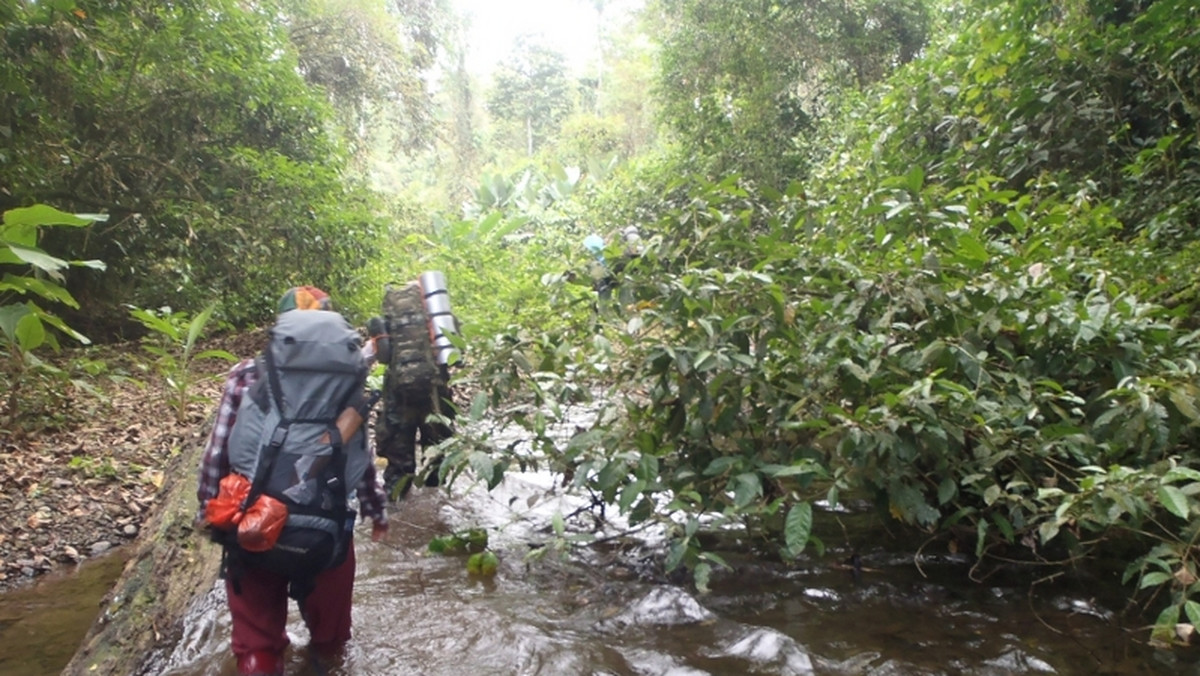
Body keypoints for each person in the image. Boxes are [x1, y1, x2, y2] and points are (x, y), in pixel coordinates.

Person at [197, 285, 388, 676]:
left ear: (281, 326)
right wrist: (375, 507)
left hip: (253, 524)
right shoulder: (349, 378)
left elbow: (217, 455)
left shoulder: (248, 373)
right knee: (332, 642)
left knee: (257, 646)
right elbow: (359, 458)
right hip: (327, 531)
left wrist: (209, 510)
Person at [375, 278, 458, 500]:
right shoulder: (441, 320)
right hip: (434, 395)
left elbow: (382, 357)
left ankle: (395, 510)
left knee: (399, 463)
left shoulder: (384, 322)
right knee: (436, 456)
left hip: (399, 396)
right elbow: (455, 356)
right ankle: (436, 507)